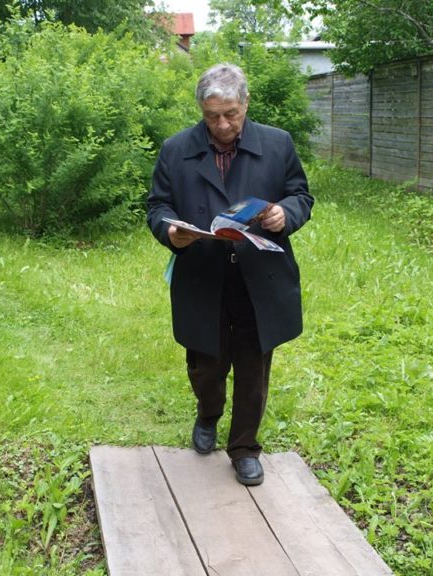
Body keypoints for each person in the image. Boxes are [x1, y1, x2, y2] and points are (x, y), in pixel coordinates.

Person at [146, 63, 313, 486]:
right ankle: (208, 414)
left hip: (259, 277)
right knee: (206, 363)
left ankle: (244, 448)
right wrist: (170, 231)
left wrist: (285, 213)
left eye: (231, 114)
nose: (222, 125)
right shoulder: (175, 149)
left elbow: (300, 195)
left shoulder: (277, 144)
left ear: (246, 103)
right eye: (212, 116)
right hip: (202, 275)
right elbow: (158, 206)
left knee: (254, 368)